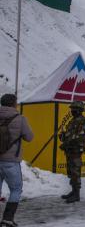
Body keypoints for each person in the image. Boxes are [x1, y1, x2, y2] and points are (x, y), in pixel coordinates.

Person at [0, 94, 34, 226]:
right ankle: (8, 219)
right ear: (14, 104)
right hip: (11, 161)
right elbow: (29, 137)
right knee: (16, 189)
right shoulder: (20, 119)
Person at [59, 101, 85, 203]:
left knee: (76, 171)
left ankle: (77, 195)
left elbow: (79, 136)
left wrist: (66, 142)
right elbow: (69, 134)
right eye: (71, 109)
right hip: (70, 149)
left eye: (74, 109)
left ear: (79, 110)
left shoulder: (83, 121)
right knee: (71, 171)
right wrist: (63, 136)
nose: (72, 111)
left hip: (76, 149)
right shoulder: (73, 120)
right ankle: (73, 191)